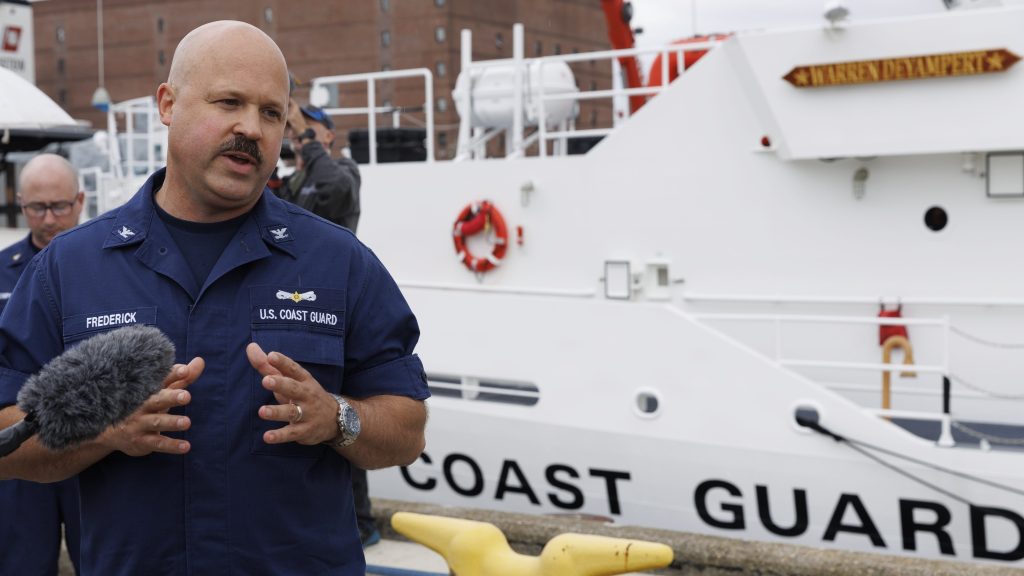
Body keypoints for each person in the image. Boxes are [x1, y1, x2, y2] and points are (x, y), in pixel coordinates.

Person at [0, 20, 428, 576]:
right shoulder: (68, 269)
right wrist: (106, 433)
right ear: (168, 104)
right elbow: (7, 434)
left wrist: (336, 417)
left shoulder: (339, 263)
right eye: (229, 102)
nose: (250, 127)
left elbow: (407, 427)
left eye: (271, 112)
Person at [0, 153, 84, 575]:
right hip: (24, 440)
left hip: (94, 441)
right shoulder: (1, 271)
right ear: (20, 203)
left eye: (59, 206)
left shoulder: (107, 269)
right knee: (22, 561)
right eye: (37, 208)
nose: (49, 219)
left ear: (80, 202)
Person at [280, 101, 362, 232]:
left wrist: (305, 136)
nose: (296, 128)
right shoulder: (289, 181)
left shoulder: (345, 168)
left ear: (329, 136)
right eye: (292, 124)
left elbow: (337, 188)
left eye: (306, 124)